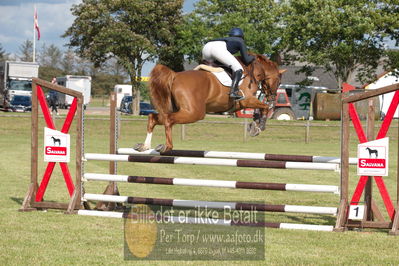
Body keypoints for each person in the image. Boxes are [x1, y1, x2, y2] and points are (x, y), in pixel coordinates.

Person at [202, 27, 255, 100]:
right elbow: (246, 60)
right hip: (217, 49)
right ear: (241, 36)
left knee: (213, 67)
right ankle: (233, 92)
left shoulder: (226, 39)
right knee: (239, 69)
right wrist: (253, 57)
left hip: (206, 47)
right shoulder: (240, 41)